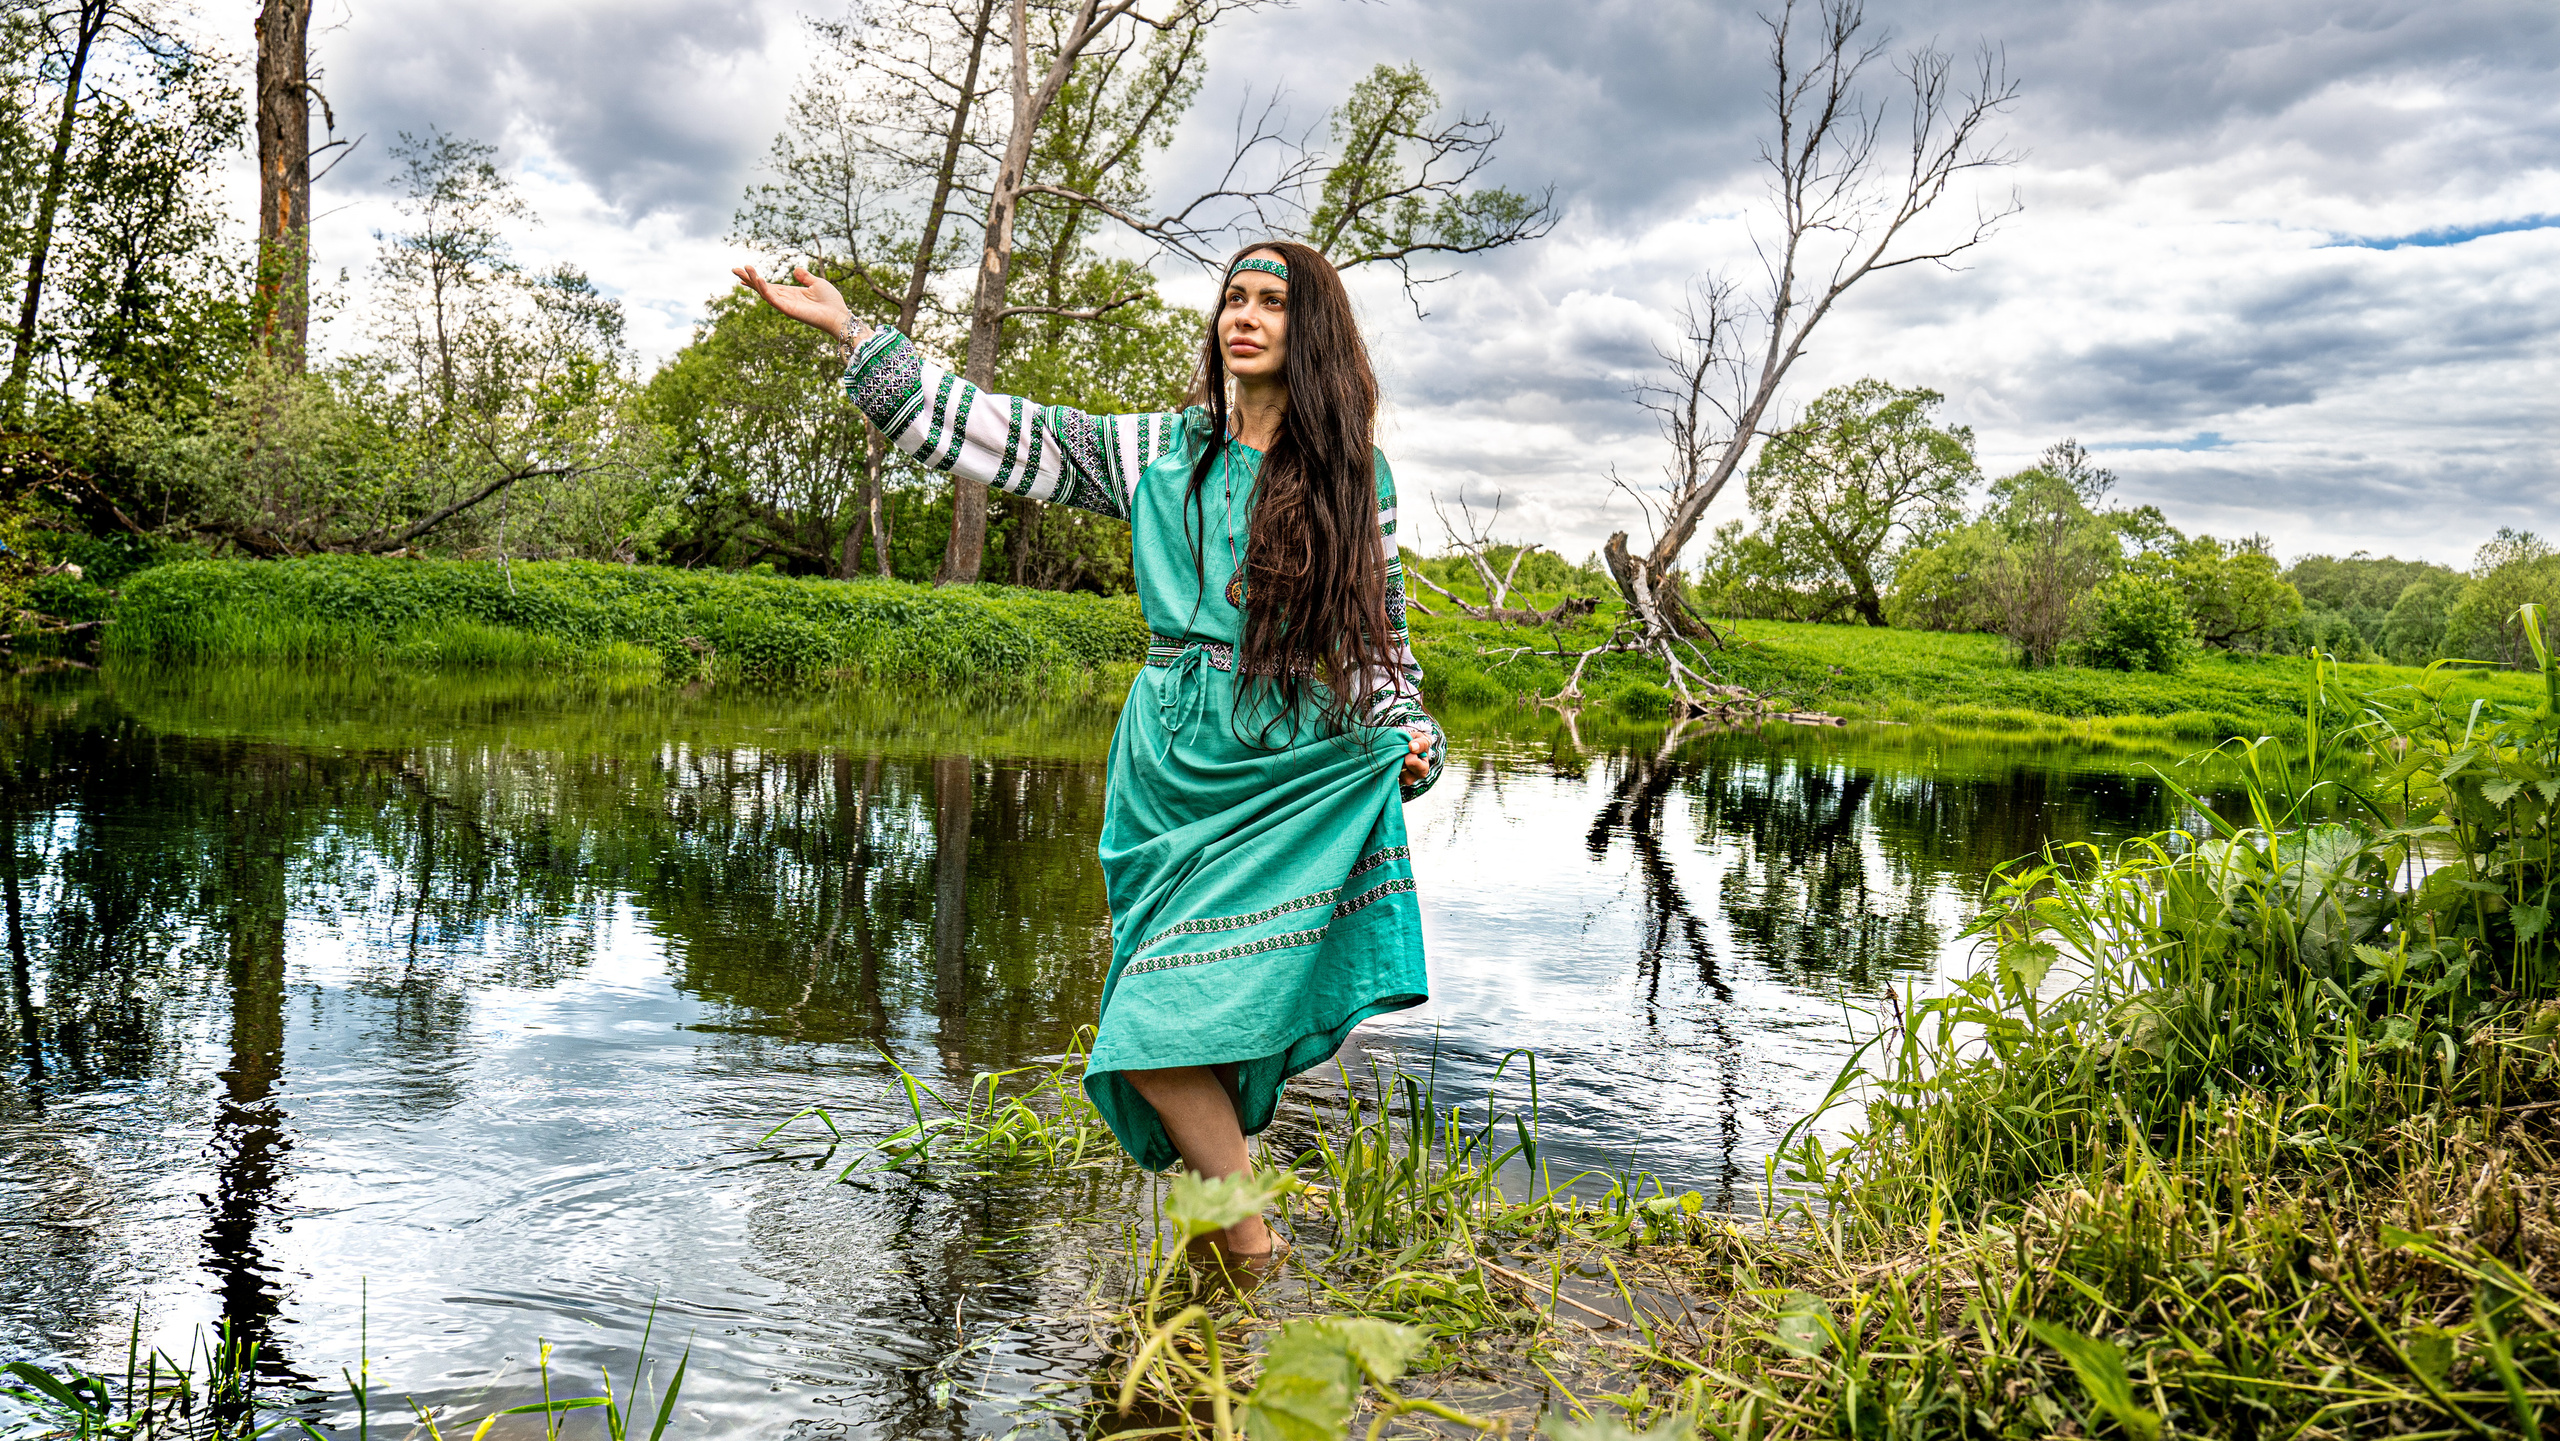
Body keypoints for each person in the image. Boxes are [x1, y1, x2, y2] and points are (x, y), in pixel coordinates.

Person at [734, 241, 1444, 1266]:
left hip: (1282, 759)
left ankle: (1247, 1249)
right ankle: (1224, 1258)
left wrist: (1411, 736)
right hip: (1165, 762)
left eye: (1272, 302)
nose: (1242, 316)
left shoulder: (1348, 476)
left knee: (1171, 1023)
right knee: (1170, 1006)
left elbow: (1376, 639)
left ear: (1312, 328)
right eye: (1232, 299)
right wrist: (853, 334)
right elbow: (999, 432)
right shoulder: (1158, 448)